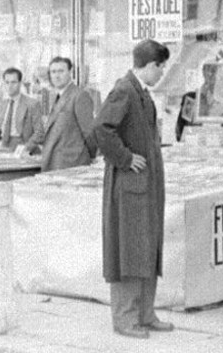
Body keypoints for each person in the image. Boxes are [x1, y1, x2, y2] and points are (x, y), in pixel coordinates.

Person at [92, 39, 173, 339]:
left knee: (146, 247)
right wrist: (125, 158)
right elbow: (102, 128)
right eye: (160, 66)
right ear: (149, 65)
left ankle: (145, 313)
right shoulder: (125, 90)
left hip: (144, 187)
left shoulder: (139, 92)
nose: (162, 71)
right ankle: (126, 318)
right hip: (130, 188)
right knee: (129, 250)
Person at [31, 57, 94, 171]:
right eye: (53, 72)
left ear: (70, 72)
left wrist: (91, 156)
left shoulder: (79, 95)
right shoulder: (54, 97)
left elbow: (89, 133)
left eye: (61, 71)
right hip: (53, 162)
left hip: (71, 165)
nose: (56, 75)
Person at [0, 68, 43, 152]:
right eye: (7, 82)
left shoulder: (32, 104)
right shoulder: (2, 104)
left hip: (22, 146)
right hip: (3, 146)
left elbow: (39, 132)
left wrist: (25, 148)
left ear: (20, 83)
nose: (9, 86)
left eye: (13, 82)